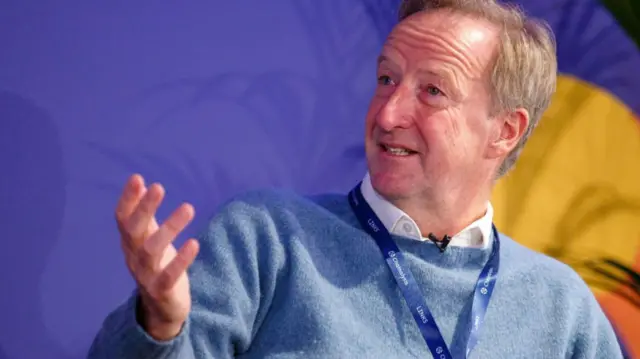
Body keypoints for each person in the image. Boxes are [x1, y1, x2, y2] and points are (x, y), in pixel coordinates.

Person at [87, 0, 624, 358]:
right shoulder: (269, 238)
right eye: (386, 78)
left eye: (432, 91)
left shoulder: (563, 308)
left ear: (504, 131)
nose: (388, 114)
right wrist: (158, 327)